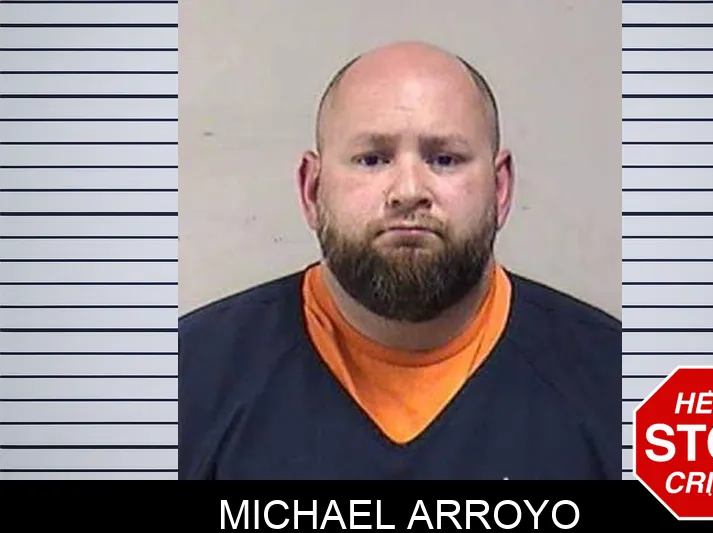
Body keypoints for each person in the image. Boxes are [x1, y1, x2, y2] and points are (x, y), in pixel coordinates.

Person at [178, 41, 621, 480]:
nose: (408, 191)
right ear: (312, 190)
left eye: (445, 159)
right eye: (372, 159)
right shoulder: (184, 381)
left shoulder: (623, 387)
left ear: (500, 189)